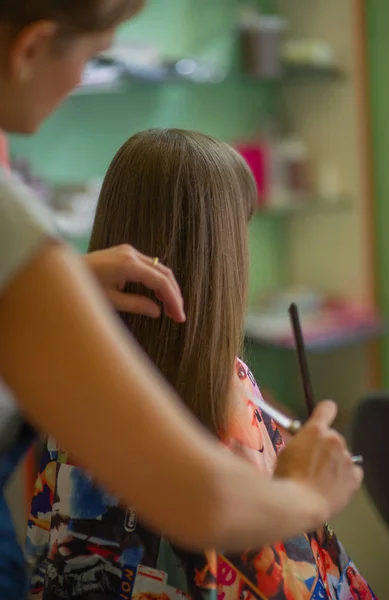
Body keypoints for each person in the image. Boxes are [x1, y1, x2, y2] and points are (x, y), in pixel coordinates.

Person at [0, 3, 362, 592]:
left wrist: (63, 281)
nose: (78, 82)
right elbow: (209, 502)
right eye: (92, 56)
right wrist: (306, 494)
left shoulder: (71, 407)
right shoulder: (225, 401)